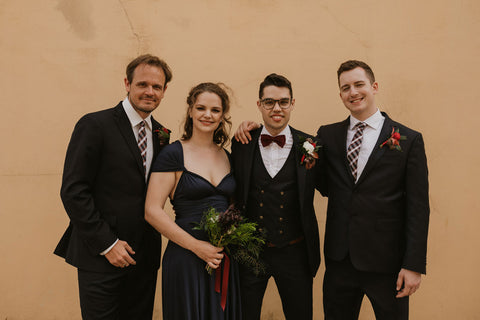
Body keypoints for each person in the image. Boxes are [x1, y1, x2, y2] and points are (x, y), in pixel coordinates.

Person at [54, 54, 172, 319]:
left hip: (144, 258)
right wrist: (107, 244)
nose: (149, 92)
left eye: (156, 87)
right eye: (142, 84)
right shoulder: (95, 124)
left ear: (165, 91)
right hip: (100, 256)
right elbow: (73, 190)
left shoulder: (162, 134)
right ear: (127, 83)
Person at [317, 60, 429, 319]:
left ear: (374, 86)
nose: (353, 92)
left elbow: (418, 207)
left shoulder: (409, 140)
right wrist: (256, 130)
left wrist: (413, 265)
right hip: (339, 260)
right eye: (346, 88)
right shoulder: (327, 135)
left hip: (387, 264)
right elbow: (321, 182)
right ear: (340, 94)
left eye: (359, 84)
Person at [144, 82, 242, 319]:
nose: (207, 115)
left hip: (222, 257)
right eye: (201, 108)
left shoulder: (227, 156)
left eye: (215, 110)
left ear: (222, 116)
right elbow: (151, 211)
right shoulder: (173, 154)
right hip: (186, 258)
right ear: (190, 110)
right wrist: (197, 247)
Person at [231, 73, 321, 320]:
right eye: (269, 102)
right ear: (259, 105)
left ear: (293, 103)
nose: (276, 108)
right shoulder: (241, 143)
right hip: (250, 253)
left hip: (295, 252)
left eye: (283, 101)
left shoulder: (311, 145)